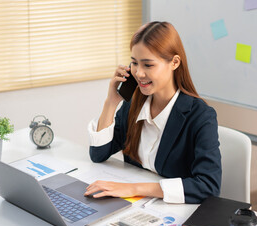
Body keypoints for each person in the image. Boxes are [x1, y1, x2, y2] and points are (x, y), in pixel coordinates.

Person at [85, 21, 221, 204]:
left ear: (174, 62)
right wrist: (111, 102)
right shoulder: (133, 103)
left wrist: (134, 189)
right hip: (135, 205)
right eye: (134, 63)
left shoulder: (200, 116)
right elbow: (98, 154)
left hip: (174, 211)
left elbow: (208, 186)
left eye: (148, 65)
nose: (139, 73)